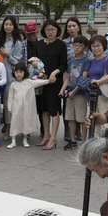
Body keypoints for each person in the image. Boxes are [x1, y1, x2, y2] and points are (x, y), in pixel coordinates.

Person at [7, 63, 59, 149]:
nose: (18, 74)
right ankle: (13, 141)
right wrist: (9, 108)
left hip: (26, 108)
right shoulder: (13, 85)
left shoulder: (29, 82)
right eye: (16, 72)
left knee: (25, 122)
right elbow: (10, 98)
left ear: (24, 72)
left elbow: (38, 82)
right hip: (16, 108)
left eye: (20, 72)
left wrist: (49, 81)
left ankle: (25, 139)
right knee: (15, 123)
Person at [34, 19, 68, 150]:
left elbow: (64, 63)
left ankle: (53, 138)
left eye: (53, 29)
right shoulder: (39, 44)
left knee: (54, 109)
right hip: (41, 81)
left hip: (55, 81)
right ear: (44, 31)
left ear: (57, 30)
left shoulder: (61, 45)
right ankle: (46, 135)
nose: (50, 32)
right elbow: (35, 60)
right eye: (48, 29)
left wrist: (55, 72)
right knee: (43, 109)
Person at [0, 15, 26, 138]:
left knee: (8, 104)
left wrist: (8, 55)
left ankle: (9, 128)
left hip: (10, 77)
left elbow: (19, 62)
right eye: (6, 24)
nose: (8, 27)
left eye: (10, 24)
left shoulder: (17, 43)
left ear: (14, 26)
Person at [62, 35, 92, 148]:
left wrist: (74, 92)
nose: (77, 47)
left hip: (79, 94)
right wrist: (62, 90)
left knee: (82, 118)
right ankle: (72, 140)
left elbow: (83, 79)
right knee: (70, 118)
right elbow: (68, 78)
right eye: (75, 45)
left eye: (80, 45)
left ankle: (84, 141)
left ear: (85, 48)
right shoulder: (71, 62)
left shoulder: (86, 61)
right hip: (69, 93)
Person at [86, 35, 108, 129]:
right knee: (94, 122)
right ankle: (96, 143)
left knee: (106, 122)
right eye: (93, 46)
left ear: (104, 46)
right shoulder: (92, 61)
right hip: (93, 95)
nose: (96, 48)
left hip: (104, 95)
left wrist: (98, 81)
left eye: (98, 45)